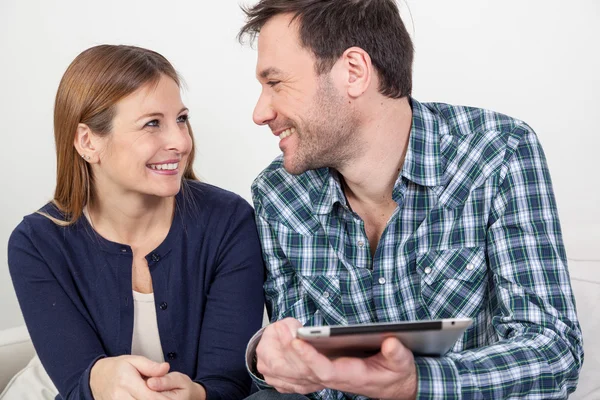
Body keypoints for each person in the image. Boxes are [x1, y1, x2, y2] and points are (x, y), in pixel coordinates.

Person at [237, 1, 584, 399]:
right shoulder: (278, 194)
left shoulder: (497, 152)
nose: (260, 112)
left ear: (354, 72)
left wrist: (415, 384)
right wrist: (272, 360)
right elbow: (303, 365)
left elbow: (554, 350)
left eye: (276, 83)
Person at [8, 44, 265, 400]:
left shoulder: (229, 222)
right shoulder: (36, 243)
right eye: (152, 124)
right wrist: (100, 378)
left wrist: (198, 395)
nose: (179, 141)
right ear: (88, 141)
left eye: (181, 119)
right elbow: (74, 383)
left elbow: (229, 382)